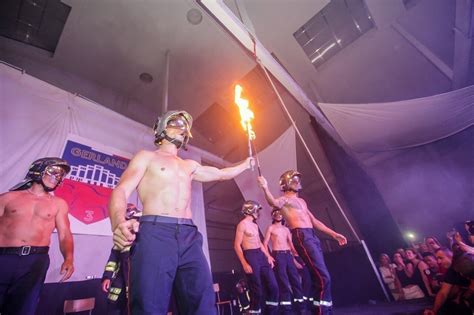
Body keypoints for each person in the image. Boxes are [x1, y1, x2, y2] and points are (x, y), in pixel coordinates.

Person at [109, 110, 254, 315]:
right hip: (156, 232)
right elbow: (121, 190)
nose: (182, 128)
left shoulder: (190, 165)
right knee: (149, 305)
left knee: (202, 302)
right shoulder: (146, 157)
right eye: (176, 122)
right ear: (161, 128)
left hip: (189, 236)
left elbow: (222, 174)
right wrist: (117, 222)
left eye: (185, 126)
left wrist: (246, 164)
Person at [258, 170, 347, 315]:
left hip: (311, 236)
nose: (298, 182)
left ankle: (322, 309)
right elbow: (273, 202)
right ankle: (322, 311)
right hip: (301, 235)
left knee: (318, 276)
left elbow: (314, 220)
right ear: (287, 184)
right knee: (324, 277)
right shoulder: (285, 200)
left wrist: (334, 234)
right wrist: (265, 187)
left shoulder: (302, 201)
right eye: (295, 180)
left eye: (298, 180)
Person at [0, 157, 74, 315]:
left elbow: (65, 234)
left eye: (60, 175)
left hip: (35, 261)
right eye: (54, 172)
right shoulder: (7, 198)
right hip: (3, 258)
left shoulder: (59, 204)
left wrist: (69, 257)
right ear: (38, 170)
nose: (57, 177)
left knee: (23, 309)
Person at [234, 200, 279, 315]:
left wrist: (268, 256)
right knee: (257, 289)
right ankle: (254, 312)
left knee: (273, 286)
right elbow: (237, 245)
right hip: (250, 255)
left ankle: (271, 312)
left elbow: (259, 243)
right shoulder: (242, 224)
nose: (258, 213)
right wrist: (244, 263)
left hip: (260, 254)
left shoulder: (254, 225)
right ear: (251, 210)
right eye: (257, 210)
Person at [102, 203, 142, 315]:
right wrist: (107, 277)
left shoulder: (143, 242)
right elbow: (112, 261)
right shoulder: (119, 242)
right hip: (119, 281)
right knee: (114, 307)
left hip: (136, 280)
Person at [263, 208, 304, 313]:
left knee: (295, 280)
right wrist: (268, 256)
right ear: (273, 216)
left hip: (288, 255)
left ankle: (301, 308)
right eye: (276, 213)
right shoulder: (271, 228)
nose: (278, 215)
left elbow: (291, 244)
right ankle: (287, 310)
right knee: (283, 282)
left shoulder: (286, 229)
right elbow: (265, 243)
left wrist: (296, 257)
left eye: (280, 213)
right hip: (278, 255)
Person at [423, 248, 471, 315]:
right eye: (437, 259)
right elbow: (443, 292)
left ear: (451, 255)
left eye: (441, 258)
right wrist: (434, 311)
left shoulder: (468, 263)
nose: (438, 262)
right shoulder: (451, 270)